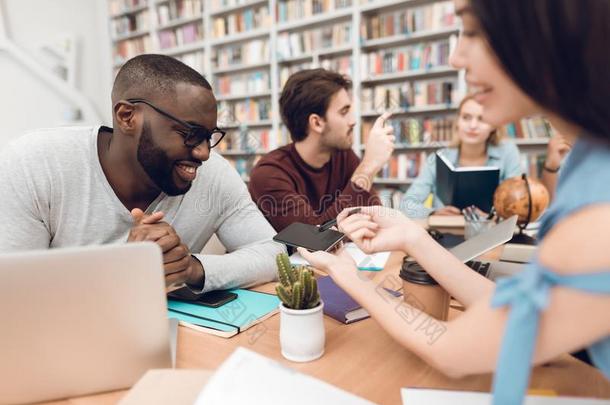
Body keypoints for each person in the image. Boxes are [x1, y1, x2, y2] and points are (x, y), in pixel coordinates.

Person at [298, 1, 610, 404]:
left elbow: (450, 349)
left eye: (472, 30)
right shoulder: (586, 160)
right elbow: (517, 312)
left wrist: (346, 273)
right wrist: (413, 235)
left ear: (541, 30)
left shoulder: (597, 211)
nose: (456, 56)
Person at [0, 54, 284, 294]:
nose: (203, 153)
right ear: (127, 117)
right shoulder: (35, 164)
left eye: (208, 137)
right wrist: (126, 268)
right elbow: (14, 291)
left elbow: (274, 254)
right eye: (190, 134)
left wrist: (191, 268)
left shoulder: (214, 176)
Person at [248, 68, 394, 232]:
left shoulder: (343, 156)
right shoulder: (269, 174)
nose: (353, 121)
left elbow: (374, 218)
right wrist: (368, 167)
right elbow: (316, 238)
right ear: (316, 123)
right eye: (344, 112)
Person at [400, 95, 522, 218]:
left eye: (482, 119)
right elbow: (406, 205)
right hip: (444, 233)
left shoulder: (508, 153)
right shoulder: (438, 158)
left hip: (492, 232)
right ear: (457, 122)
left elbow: (519, 204)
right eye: (466, 117)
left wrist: (493, 216)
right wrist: (433, 213)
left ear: (494, 126)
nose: (473, 126)